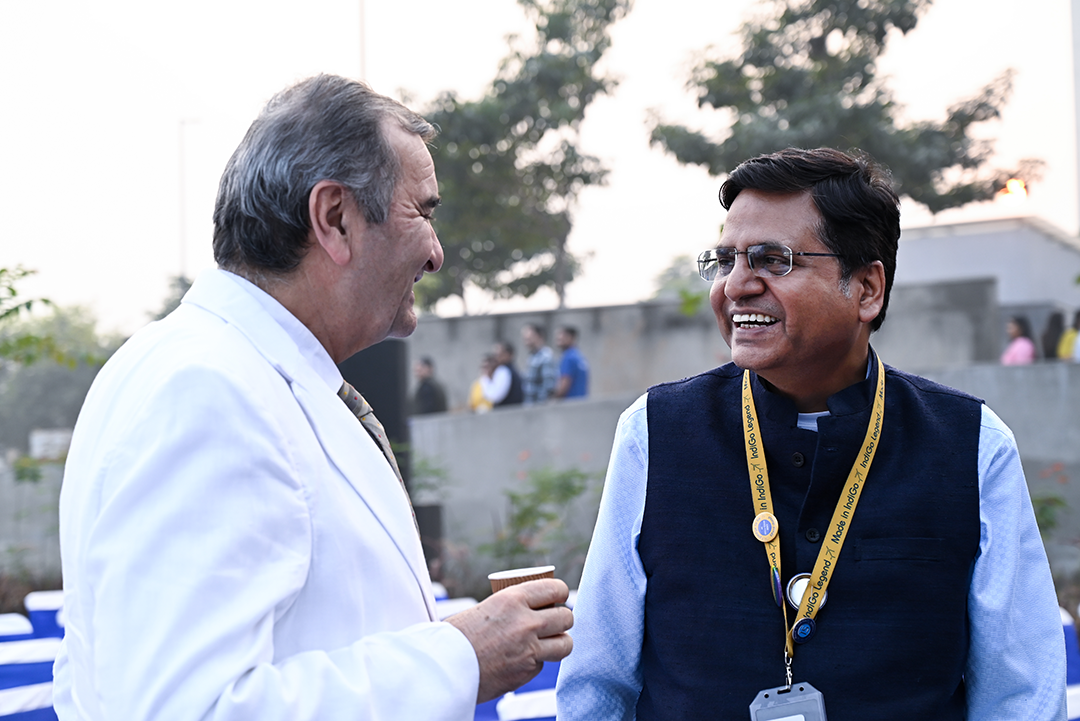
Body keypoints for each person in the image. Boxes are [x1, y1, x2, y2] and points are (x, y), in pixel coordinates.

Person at [54, 75, 572, 721]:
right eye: (423, 211)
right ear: (335, 219)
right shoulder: (208, 390)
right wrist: (460, 657)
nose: (436, 254)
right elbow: (191, 709)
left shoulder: (221, 370)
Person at [557, 148, 1064, 720]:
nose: (736, 285)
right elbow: (597, 683)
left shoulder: (971, 444)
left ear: (866, 289)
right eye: (725, 260)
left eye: (772, 260)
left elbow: (1021, 695)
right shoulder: (654, 433)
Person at [521, 323, 557, 404]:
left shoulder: (545, 357)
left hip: (538, 407)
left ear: (539, 336)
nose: (526, 338)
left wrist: (539, 406)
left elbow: (548, 386)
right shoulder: (532, 356)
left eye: (529, 336)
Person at [481, 341, 524, 408]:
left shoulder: (503, 371)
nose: (495, 357)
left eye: (498, 354)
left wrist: (485, 378)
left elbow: (494, 396)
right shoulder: (510, 370)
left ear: (507, 354)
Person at [554, 325, 589, 399]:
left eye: (563, 335)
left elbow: (564, 383)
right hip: (582, 401)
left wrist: (554, 398)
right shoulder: (579, 356)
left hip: (570, 402)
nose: (559, 337)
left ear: (571, 337)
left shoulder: (568, 357)